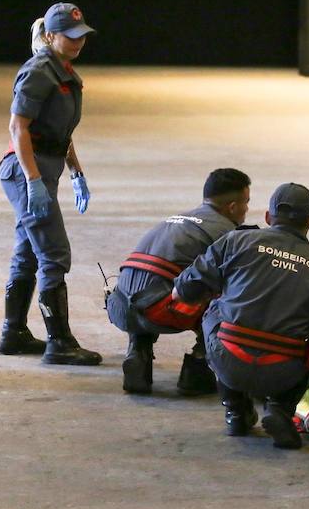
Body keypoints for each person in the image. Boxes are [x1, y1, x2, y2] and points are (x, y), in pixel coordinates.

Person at [172, 183, 309, 449]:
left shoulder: (236, 241)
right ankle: (281, 408)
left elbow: (185, 290)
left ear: (267, 217)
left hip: (229, 359)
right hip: (284, 371)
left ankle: (235, 411)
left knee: (214, 308)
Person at [0, 2, 101, 366]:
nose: (77, 43)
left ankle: (14, 334)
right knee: (54, 253)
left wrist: (76, 172)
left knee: (28, 252)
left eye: (81, 36)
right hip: (27, 169)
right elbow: (18, 128)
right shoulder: (40, 71)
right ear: (50, 36)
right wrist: (33, 181)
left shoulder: (63, 71)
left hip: (47, 165)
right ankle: (60, 343)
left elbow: (61, 132)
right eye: (69, 37)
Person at [105, 168, 251, 395]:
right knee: (236, 294)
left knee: (154, 284)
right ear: (232, 207)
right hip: (160, 311)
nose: (247, 210)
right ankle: (198, 365)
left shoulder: (175, 219)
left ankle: (139, 351)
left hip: (118, 306)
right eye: (246, 203)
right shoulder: (228, 233)